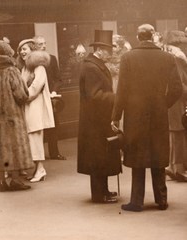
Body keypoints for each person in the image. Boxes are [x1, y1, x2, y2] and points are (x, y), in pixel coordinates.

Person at [111, 24, 182, 212]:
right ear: (152, 36)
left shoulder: (128, 58)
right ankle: (161, 200)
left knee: (137, 156)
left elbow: (122, 90)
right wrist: (163, 103)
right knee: (158, 155)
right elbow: (177, 88)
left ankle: (136, 201)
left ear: (137, 37)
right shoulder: (168, 58)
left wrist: (116, 116)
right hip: (159, 113)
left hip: (135, 114)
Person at [77, 30, 121, 204]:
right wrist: (115, 97)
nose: (110, 53)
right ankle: (98, 194)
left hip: (97, 120)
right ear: (100, 49)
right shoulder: (91, 67)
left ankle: (104, 190)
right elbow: (94, 95)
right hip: (94, 122)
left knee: (101, 157)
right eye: (108, 50)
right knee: (97, 158)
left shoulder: (95, 65)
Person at [0, 41, 34, 191]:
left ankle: (1, 181)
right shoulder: (12, 70)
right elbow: (20, 94)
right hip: (12, 115)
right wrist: (25, 96)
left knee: (0, 147)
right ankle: (16, 180)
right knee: (14, 146)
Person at [17, 38, 55, 183]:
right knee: (31, 138)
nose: (22, 52)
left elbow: (36, 87)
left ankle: (40, 169)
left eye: (25, 49)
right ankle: (36, 169)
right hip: (27, 106)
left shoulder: (40, 68)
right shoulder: (25, 68)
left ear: (32, 50)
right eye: (20, 50)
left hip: (36, 107)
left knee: (35, 137)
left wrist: (22, 96)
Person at [153, 31, 187, 182]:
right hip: (177, 100)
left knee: (172, 134)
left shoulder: (164, 55)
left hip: (167, 99)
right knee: (178, 133)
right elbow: (180, 84)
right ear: (179, 44)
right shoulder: (178, 58)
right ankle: (177, 168)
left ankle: (171, 166)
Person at [33, 35, 66, 160]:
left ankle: (54, 152)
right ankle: (37, 155)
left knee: (53, 125)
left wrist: (53, 91)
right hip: (36, 97)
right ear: (34, 46)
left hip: (50, 97)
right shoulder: (31, 61)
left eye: (44, 43)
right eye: (40, 44)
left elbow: (58, 79)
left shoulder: (52, 59)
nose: (44, 46)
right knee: (36, 126)